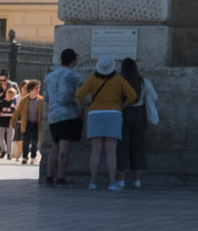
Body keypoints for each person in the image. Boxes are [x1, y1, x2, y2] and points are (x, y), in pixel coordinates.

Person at [77, 58, 137, 192]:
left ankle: (92, 182)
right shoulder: (119, 80)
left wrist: (88, 104)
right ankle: (112, 182)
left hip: (95, 114)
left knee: (95, 150)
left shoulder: (92, 80)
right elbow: (132, 95)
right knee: (111, 150)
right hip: (113, 114)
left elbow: (79, 95)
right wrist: (122, 105)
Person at [41, 49, 84, 186]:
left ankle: (49, 177)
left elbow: (46, 99)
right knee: (64, 147)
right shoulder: (76, 77)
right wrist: (81, 114)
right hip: (69, 115)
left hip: (53, 116)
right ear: (74, 61)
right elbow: (79, 99)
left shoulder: (49, 77)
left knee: (55, 146)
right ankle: (60, 177)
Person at [120, 58, 158, 190]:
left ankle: (121, 180)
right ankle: (137, 180)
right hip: (139, 114)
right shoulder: (144, 81)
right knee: (138, 146)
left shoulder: (119, 81)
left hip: (123, 113)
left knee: (122, 146)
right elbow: (154, 97)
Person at [16, 80, 44, 164]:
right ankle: (25, 157)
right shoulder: (24, 100)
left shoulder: (41, 100)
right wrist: (12, 121)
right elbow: (17, 112)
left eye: (39, 88)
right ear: (31, 89)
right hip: (27, 123)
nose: (38, 89)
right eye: (36, 88)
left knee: (35, 141)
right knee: (26, 141)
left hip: (36, 123)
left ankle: (33, 157)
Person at [0, 73, 17, 159]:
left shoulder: (14, 102)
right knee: (0, 137)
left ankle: (9, 154)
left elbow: (16, 112)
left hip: (10, 122)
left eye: (4, 80)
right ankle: (3, 150)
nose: (2, 82)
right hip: (2, 122)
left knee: (9, 139)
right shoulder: (2, 102)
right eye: (0, 80)